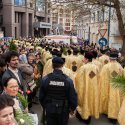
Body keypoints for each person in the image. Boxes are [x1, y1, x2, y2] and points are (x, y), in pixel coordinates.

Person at [39, 57, 77, 125]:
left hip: (50, 109)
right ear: (62, 65)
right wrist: (72, 109)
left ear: (52, 66)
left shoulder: (45, 79)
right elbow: (73, 97)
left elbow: (41, 97)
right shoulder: (68, 81)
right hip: (63, 110)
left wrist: (46, 106)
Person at [99, 52, 124, 124]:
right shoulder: (120, 66)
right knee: (116, 100)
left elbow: (101, 77)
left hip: (107, 86)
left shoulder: (106, 66)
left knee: (107, 98)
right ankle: (115, 114)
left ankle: (107, 112)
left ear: (109, 58)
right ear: (116, 58)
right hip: (117, 87)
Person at [75, 52, 100, 125]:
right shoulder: (96, 67)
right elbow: (98, 78)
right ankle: (89, 117)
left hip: (85, 89)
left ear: (86, 59)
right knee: (91, 101)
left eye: (84, 58)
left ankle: (84, 116)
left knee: (84, 101)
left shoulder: (83, 67)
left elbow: (78, 78)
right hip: (93, 89)